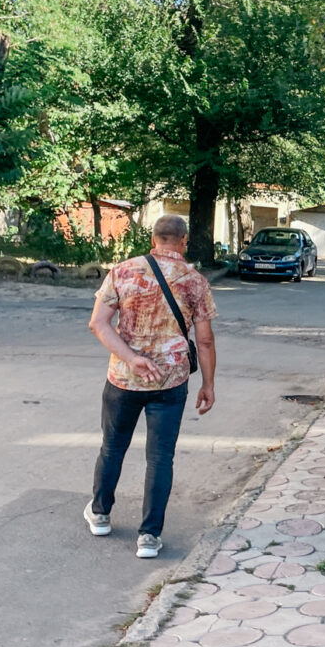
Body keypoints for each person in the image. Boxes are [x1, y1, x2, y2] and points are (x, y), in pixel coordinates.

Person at [83, 214, 217, 558]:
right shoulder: (195, 281)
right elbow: (204, 341)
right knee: (160, 458)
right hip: (171, 381)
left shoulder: (123, 271)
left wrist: (131, 358)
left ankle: (100, 514)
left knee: (112, 447)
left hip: (124, 379)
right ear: (184, 241)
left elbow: (98, 324)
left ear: (153, 238)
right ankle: (149, 537)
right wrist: (208, 384)